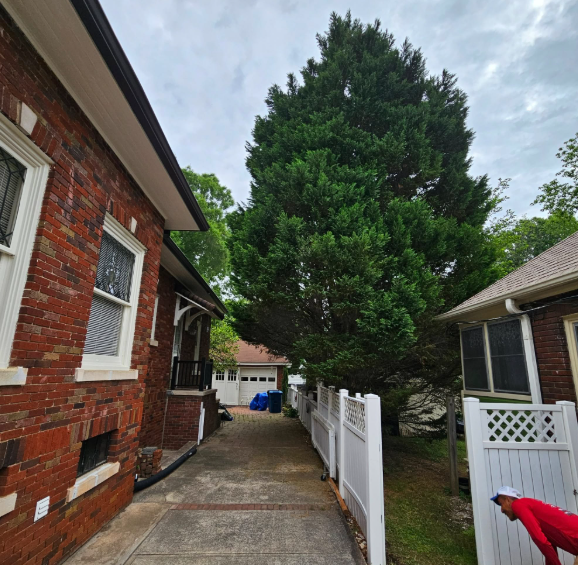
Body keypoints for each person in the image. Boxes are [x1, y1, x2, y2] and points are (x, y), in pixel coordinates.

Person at [492, 486, 578, 565]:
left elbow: (539, 539)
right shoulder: (531, 506)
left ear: (507, 500)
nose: (502, 510)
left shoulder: (517, 504)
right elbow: (549, 546)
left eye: (501, 504)